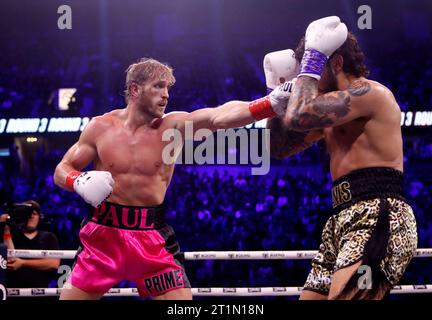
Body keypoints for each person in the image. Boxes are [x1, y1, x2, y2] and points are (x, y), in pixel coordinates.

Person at [53, 57, 297, 300]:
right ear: (135, 89)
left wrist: (268, 104)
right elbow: (62, 169)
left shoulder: (173, 126)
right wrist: (78, 180)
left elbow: (217, 117)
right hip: (102, 239)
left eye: (168, 88)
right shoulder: (100, 127)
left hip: (152, 238)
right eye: (158, 86)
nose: (166, 95)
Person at [268, 16, 418, 299]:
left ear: (335, 62)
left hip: (378, 216)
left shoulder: (370, 94)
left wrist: (310, 64)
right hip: (339, 221)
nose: (307, 79)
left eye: (313, 68)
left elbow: (300, 114)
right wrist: (273, 97)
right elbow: (279, 148)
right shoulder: (329, 112)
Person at [1, 200, 60, 290]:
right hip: (15, 292)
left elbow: (53, 263)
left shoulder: (49, 237)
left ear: (39, 217)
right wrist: (5, 229)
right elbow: (11, 260)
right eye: (28, 214)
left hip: (41, 294)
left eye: (34, 213)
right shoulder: (12, 235)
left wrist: (22, 263)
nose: (31, 216)